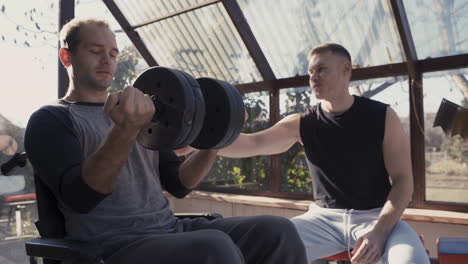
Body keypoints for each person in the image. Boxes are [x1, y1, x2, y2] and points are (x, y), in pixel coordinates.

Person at [24, 18, 307, 264]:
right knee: (213, 248)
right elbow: (83, 197)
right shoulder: (51, 120)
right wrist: (125, 130)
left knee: (278, 231)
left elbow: (179, 183)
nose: (107, 60)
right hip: (107, 247)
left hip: (167, 230)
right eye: (95, 51)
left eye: (112, 53)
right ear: (66, 56)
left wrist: (218, 137)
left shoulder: (143, 110)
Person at [217, 43, 430, 263]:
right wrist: (202, 142)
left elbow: (403, 182)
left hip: (376, 217)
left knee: (412, 260)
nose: (313, 77)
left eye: (321, 70)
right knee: (259, 252)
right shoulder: (303, 123)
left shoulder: (383, 116)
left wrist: (380, 232)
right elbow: (252, 143)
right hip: (322, 220)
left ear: (346, 69)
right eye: (310, 72)